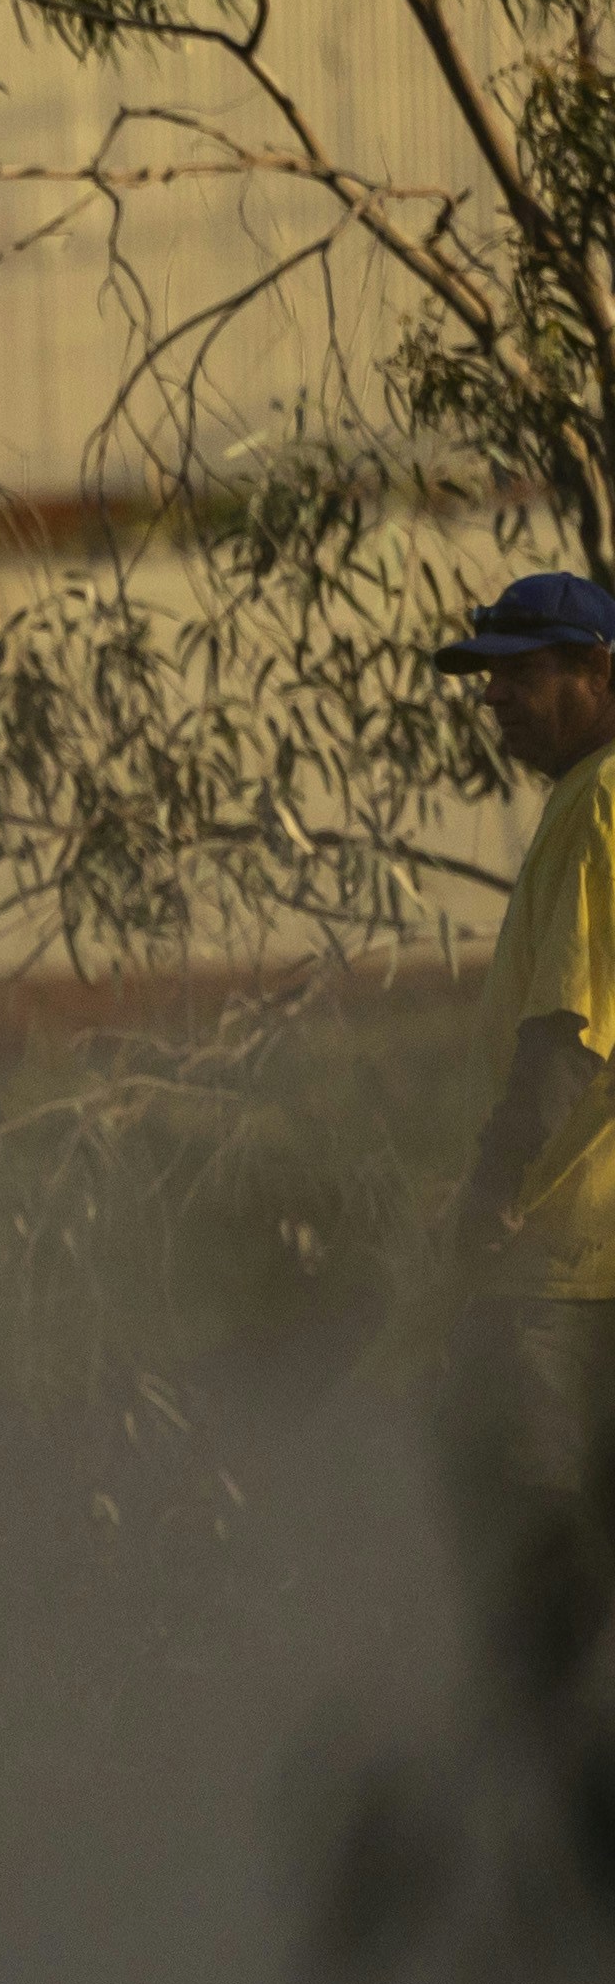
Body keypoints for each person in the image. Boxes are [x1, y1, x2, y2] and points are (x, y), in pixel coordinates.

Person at [438, 574, 615, 1715]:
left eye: (527, 669)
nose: (497, 694)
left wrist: (487, 1199)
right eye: (490, 672)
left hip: (568, 1262)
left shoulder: (602, 802)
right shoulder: (588, 799)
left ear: (602, 676)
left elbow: (569, 1033)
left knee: (548, 1562)